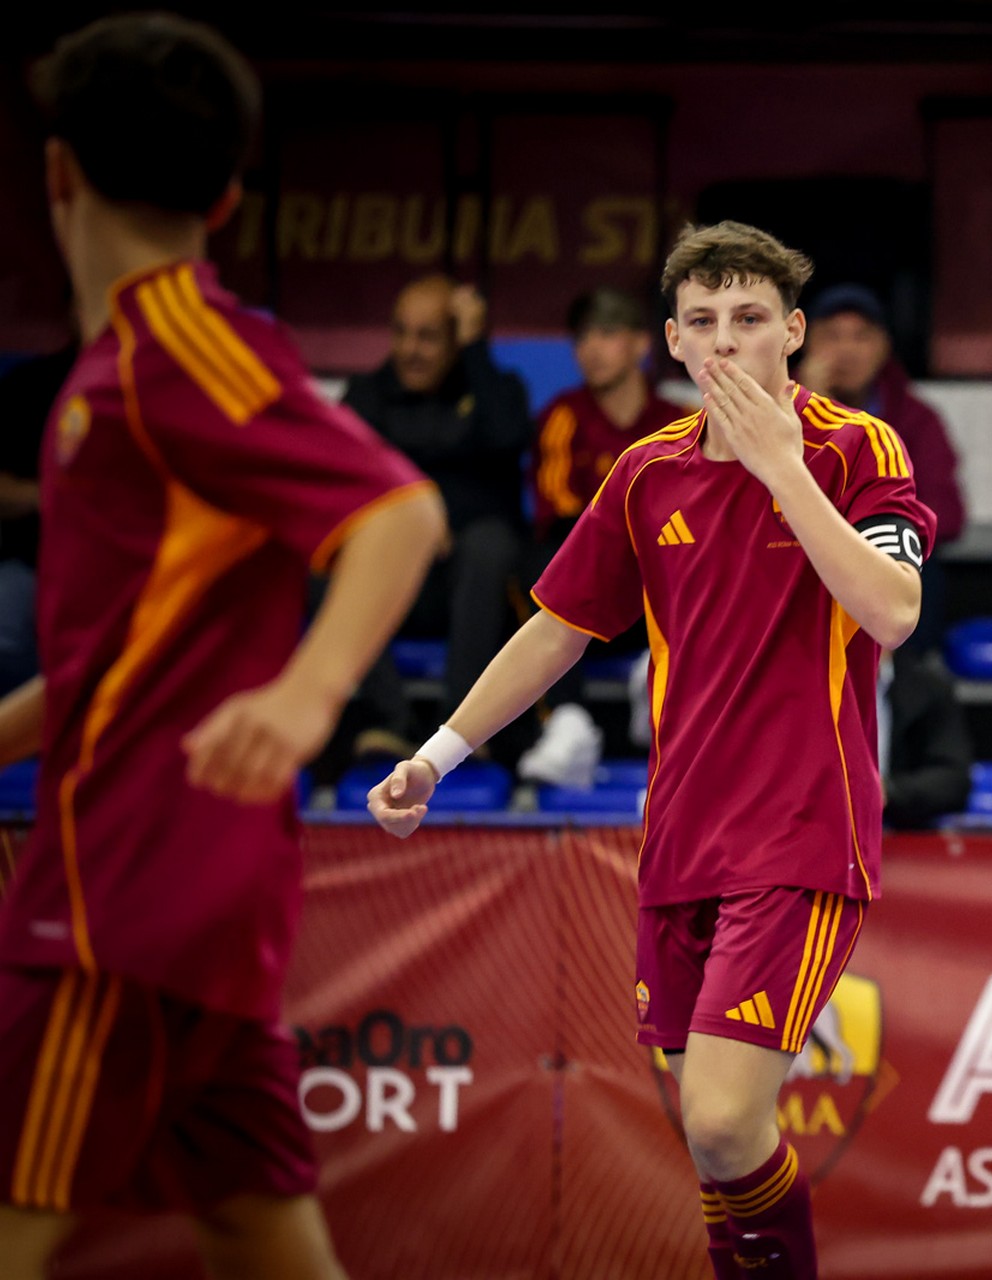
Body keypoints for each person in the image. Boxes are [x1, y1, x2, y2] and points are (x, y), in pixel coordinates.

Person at [367, 220, 935, 1280]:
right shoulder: (644, 472)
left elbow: (893, 610)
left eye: (750, 318)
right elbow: (557, 630)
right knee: (710, 1136)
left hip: (804, 831)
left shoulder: (858, 448)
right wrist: (437, 755)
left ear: (792, 331)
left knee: (722, 1118)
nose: (726, 341)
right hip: (678, 839)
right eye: (703, 321)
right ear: (672, 340)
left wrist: (782, 469)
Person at [0, 14, 444, 1279]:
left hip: (121, 895)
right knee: (262, 1234)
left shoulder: (174, 350)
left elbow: (400, 513)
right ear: (230, 195)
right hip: (184, 898)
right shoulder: (126, 364)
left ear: (57, 171)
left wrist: (309, 692)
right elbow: (117, 658)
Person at [344, 272, 534, 729]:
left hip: (473, 592)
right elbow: (346, 489)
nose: (410, 350)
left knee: (489, 543)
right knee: (324, 564)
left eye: (428, 337)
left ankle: (460, 730)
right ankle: (391, 724)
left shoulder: (496, 390)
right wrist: (418, 524)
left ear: (456, 341)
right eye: (401, 333)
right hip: (391, 590)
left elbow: (506, 440)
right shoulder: (367, 396)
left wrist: (475, 350)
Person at [516, 286, 687, 788]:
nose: (592, 349)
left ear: (641, 344)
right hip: (591, 595)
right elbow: (563, 511)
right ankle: (568, 721)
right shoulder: (562, 415)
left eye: (607, 334)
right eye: (582, 338)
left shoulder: (679, 422)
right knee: (543, 557)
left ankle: (657, 672)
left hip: (657, 592)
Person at [800, 282, 967, 647]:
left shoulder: (917, 419)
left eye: (861, 336)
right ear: (804, 343)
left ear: (883, 347)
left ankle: (904, 673)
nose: (846, 350)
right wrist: (810, 411)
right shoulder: (776, 413)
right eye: (832, 336)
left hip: (885, 565)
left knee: (921, 573)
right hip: (799, 562)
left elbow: (948, 515)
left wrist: (866, 538)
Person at [0, 341, 76, 696]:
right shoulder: (31, 384)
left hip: (123, 568)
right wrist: (51, 498)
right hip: (30, 566)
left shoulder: (156, 381)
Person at [879, 646, 973, 830]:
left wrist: (886, 792)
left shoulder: (929, 688)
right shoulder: (820, 690)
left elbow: (953, 780)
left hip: (901, 829)